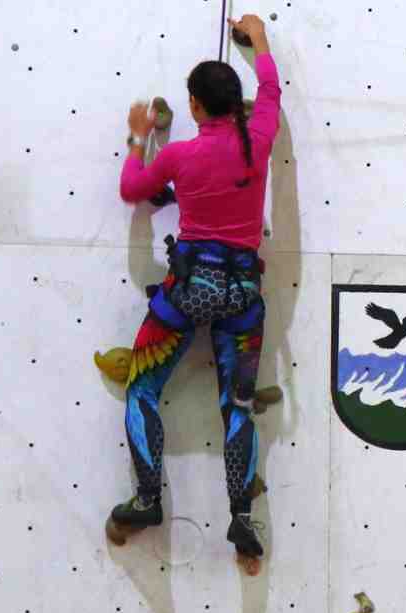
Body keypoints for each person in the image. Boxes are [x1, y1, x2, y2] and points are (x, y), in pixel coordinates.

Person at [96, 14, 281, 558]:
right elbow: (271, 89)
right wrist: (261, 38)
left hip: (188, 291)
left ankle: (148, 497)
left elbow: (133, 189)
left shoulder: (180, 156)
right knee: (238, 406)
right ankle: (242, 517)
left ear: (196, 107)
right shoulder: (260, 141)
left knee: (142, 389)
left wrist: (138, 135)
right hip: (243, 298)